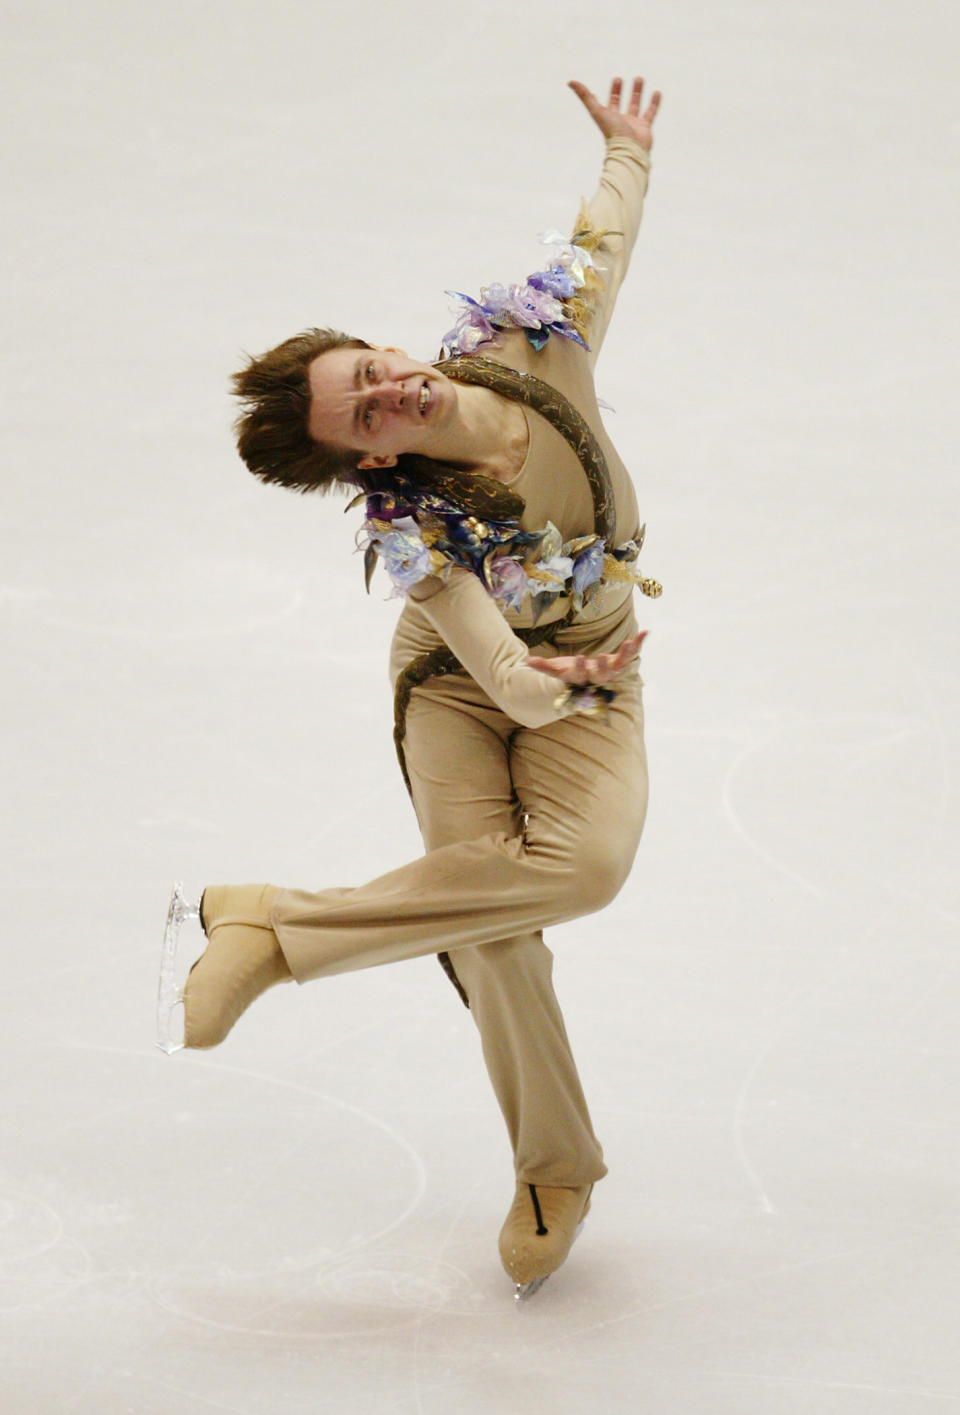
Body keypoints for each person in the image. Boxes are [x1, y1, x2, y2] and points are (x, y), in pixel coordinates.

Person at [164, 75, 662, 1299]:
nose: (394, 387)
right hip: (463, 685)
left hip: (590, 670)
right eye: (366, 413)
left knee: (581, 868)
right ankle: (558, 1163)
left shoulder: (526, 338)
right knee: (495, 919)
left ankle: (273, 923)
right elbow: (499, 667)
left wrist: (628, 156)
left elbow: (600, 247)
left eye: (373, 366)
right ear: (369, 457)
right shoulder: (418, 532)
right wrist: (550, 682)